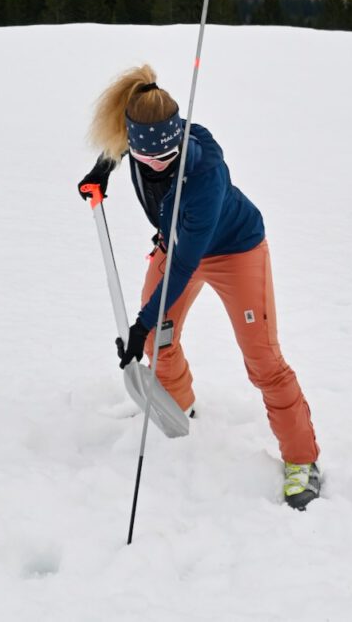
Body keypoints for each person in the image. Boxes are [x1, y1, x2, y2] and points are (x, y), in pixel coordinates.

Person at [78, 64, 320, 509]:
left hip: (234, 250)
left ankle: (302, 460)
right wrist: (101, 170)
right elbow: (120, 147)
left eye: (169, 155)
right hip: (177, 243)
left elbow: (184, 266)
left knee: (263, 361)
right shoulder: (141, 141)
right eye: (147, 157)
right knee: (156, 339)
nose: (160, 163)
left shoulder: (204, 175)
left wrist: (138, 325)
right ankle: (178, 406)